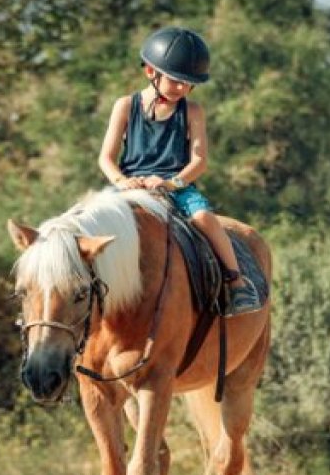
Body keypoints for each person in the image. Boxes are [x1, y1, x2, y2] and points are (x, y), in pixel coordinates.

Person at [97, 26, 260, 317]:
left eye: (189, 84)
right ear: (150, 72)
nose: (183, 89)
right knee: (92, 219)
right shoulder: (125, 106)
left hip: (175, 185)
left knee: (204, 218)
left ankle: (236, 281)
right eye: (176, 81)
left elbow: (199, 161)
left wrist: (171, 183)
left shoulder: (192, 111)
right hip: (130, 185)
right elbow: (106, 158)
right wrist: (122, 182)